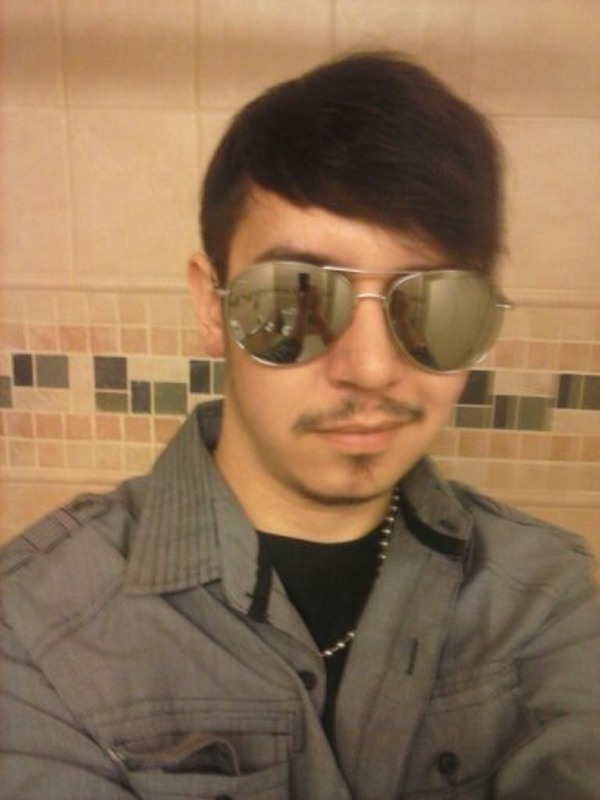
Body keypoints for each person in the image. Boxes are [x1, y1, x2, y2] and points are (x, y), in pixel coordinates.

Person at [1, 52, 599, 800]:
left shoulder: (543, 598)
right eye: (299, 298)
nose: (372, 369)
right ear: (212, 306)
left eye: (436, 304)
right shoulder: (36, 624)